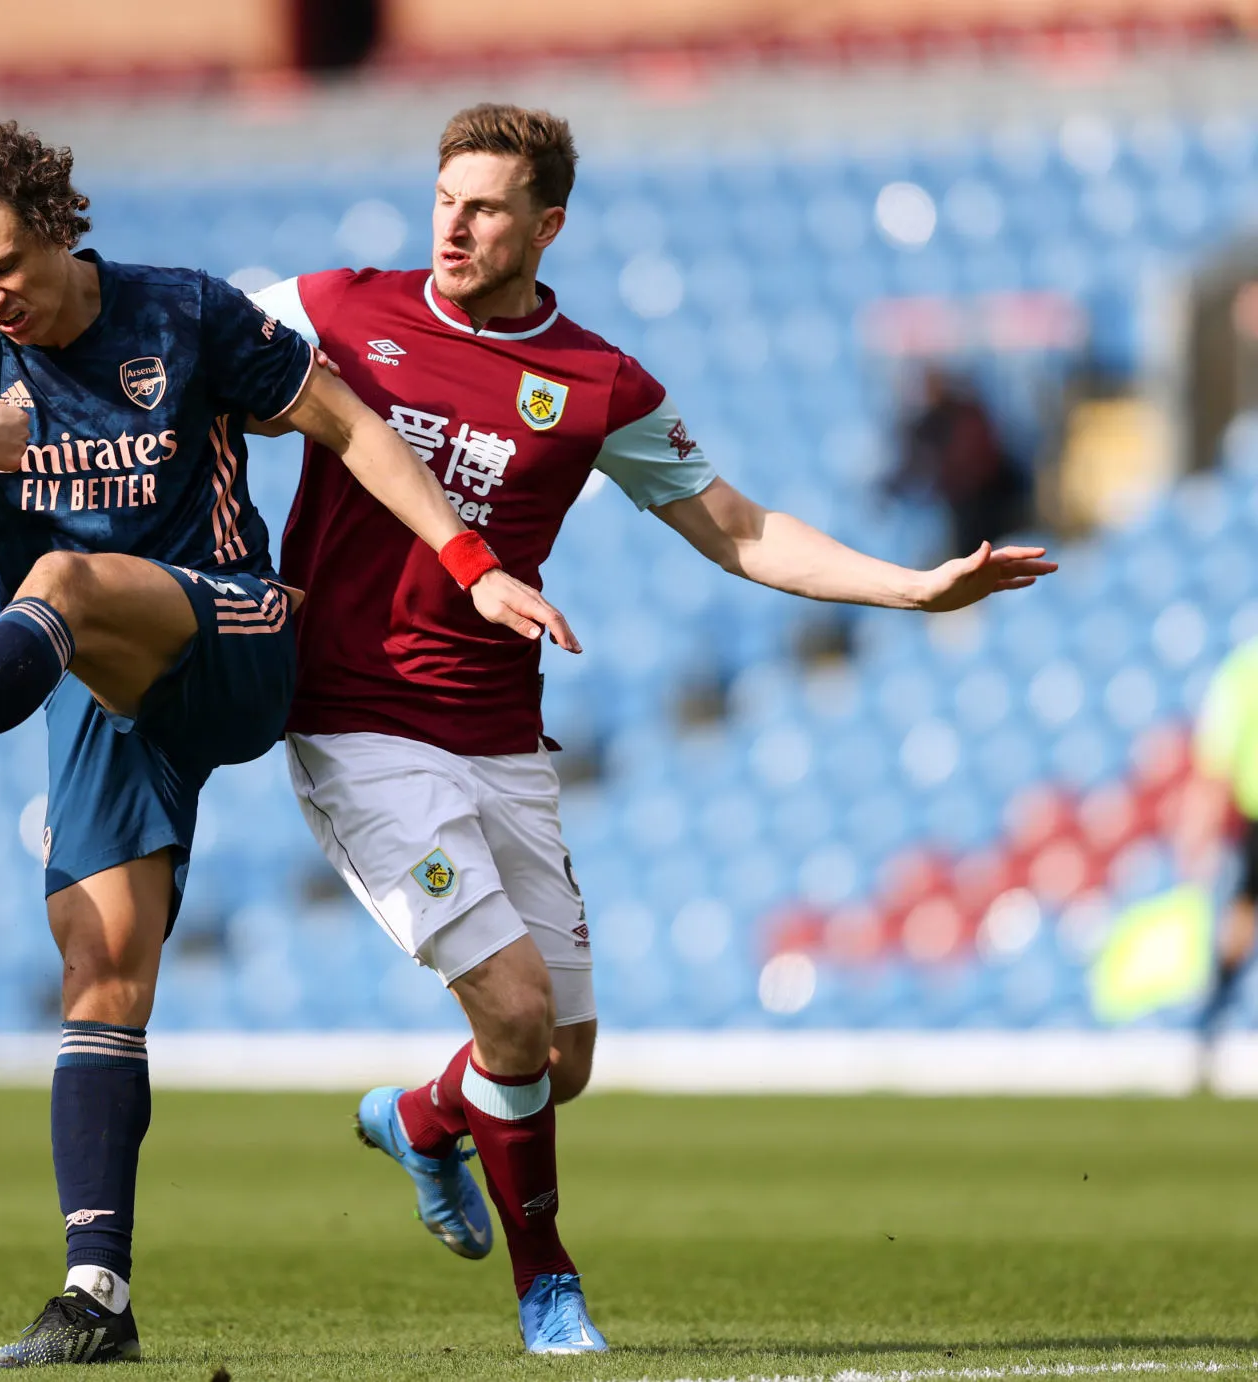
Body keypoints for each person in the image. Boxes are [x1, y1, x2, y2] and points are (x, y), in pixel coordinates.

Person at [248, 103, 1057, 1355]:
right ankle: (547, 1289)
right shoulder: (333, 309)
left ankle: (420, 1116)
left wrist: (909, 585)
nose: (454, 227)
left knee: (557, 1056)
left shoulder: (594, 384)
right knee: (511, 1012)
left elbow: (733, 526)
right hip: (357, 721)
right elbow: (168, 352)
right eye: (442, 201)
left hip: (500, 732)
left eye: (486, 208)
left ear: (545, 224)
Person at [0, 118, 573, 1369]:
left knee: (62, 576)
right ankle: (97, 1292)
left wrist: (466, 560)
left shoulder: (181, 310)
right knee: (100, 972)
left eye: (5, 269)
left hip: (236, 632)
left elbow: (350, 423)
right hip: (93, 674)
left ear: (56, 226)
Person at [1180, 635, 1258, 1043]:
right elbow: (1216, 758)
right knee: (1240, 917)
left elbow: (1215, 758)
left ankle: (1213, 1021)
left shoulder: (1244, 669)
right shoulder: (1245, 670)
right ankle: (1213, 1021)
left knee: (1241, 916)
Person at [888, 364, 1027, 558]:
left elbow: (981, 463)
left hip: (983, 499)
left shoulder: (968, 415)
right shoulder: (923, 425)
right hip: (956, 501)